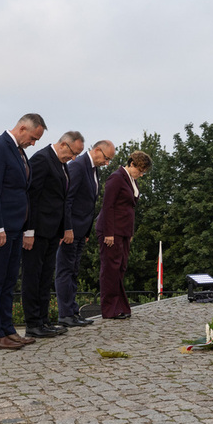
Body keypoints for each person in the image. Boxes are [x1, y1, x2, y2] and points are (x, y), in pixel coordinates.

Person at [0, 113, 47, 350]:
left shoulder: (19, 151)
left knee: (8, 282)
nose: (34, 143)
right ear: (21, 128)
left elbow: (22, 190)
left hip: (16, 227)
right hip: (2, 229)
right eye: (33, 137)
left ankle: (7, 329)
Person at [21, 131, 85, 338]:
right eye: (73, 153)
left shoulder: (61, 164)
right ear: (64, 145)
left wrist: (62, 228)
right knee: (33, 277)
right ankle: (32, 323)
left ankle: (44, 320)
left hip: (51, 232)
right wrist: (29, 230)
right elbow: (32, 196)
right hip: (37, 231)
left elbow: (62, 198)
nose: (74, 158)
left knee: (46, 277)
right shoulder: (42, 159)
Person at [55, 140, 115, 327]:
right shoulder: (78, 166)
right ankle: (65, 314)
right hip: (71, 230)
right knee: (65, 270)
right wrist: (67, 228)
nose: (106, 163)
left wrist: (87, 230)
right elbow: (68, 199)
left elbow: (89, 203)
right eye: (106, 158)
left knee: (73, 270)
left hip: (82, 230)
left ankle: (73, 311)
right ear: (97, 150)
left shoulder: (93, 169)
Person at [96, 150, 152, 319]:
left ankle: (120, 306)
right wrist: (109, 233)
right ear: (132, 164)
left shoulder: (130, 180)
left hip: (123, 231)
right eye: (140, 171)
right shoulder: (116, 178)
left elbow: (129, 208)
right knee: (110, 270)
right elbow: (108, 206)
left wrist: (130, 232)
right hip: (111, 232)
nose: (141, 175)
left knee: (120, 268)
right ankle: (109, 309)